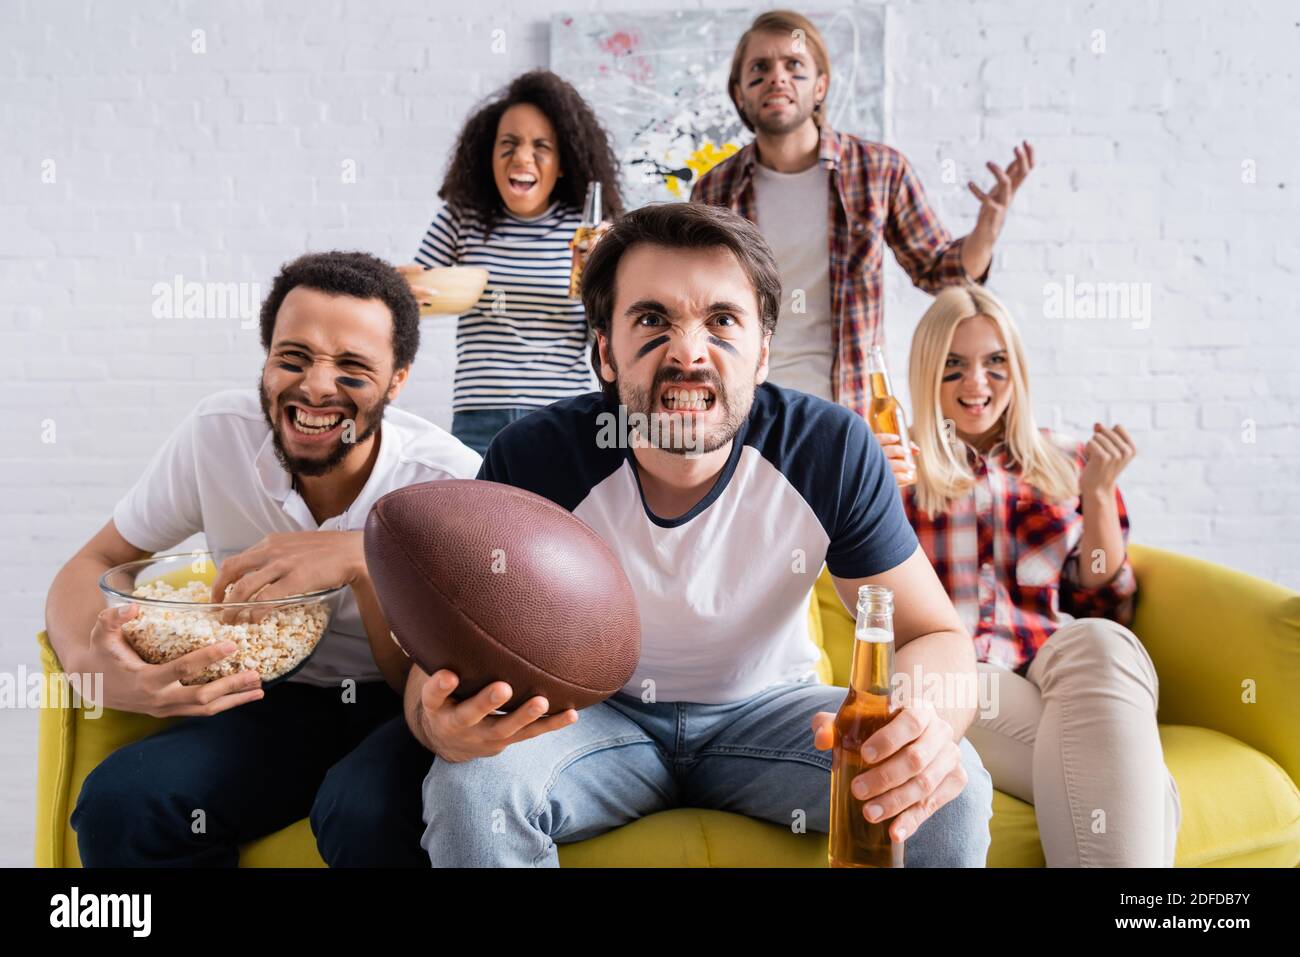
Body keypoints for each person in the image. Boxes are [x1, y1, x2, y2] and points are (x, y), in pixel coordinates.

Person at [403, 202, 994, 867]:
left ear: (763, 351)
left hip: (775, 716)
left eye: (722, 320)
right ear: (605, 350)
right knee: (471, 785)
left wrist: (920, 723)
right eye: (653, 319)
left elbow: (933, 636)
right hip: (591, 721)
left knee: (950, 787)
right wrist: (437, 726)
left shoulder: (827, 448)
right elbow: (442, 661)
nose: (688, 351)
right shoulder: (533, 459)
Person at [48, 251, 481, 866]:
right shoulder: (217, 436)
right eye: (292, 358)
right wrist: (93, 664)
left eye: (353, 367)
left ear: (398, 379)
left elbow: (437, 674)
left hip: (403, 707)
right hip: (268, 701)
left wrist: (363, 559)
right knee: (124, 803)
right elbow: (98, 557)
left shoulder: (447, 482)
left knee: (363, 814)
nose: (315, 386)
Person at [877, 284, 1181, 866]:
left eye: (995, 363)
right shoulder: (898, 464)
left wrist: (1096, 496)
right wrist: (876, 501)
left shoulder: (1064, 458)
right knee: (1140, 784)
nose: (977, 384)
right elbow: (870, 601)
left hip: (1052, 665)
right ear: (925, 373)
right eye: (955, 367)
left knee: (1104, 639)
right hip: (957, 680)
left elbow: (1103, 594)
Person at [691, 9, 1033, 413]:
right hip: (748, 406)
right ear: (740, 93)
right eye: (760, 68)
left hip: (852, 408)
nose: (777, 78)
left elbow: (941, 273)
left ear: (820, 87)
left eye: (794, 65)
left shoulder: (879, 171)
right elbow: (696, 305)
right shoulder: (715, 190)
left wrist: (986, 235)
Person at [403, 70, 625, 455]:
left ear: (562, 163)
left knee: (557, 516)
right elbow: (416, 294)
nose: (522, 157)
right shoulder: (461, 218)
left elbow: (611, 340)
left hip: (563, 414)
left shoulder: (588, 231)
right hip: (479, 415)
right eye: (508, 143)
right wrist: (391, 289)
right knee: (476, 517)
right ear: (487, 155)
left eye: (541, 146)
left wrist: (599, 282)